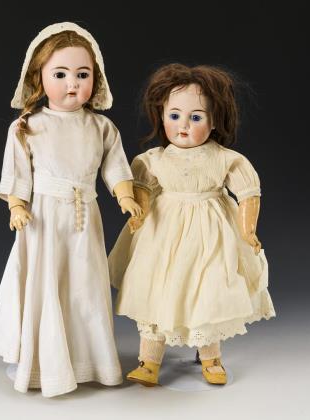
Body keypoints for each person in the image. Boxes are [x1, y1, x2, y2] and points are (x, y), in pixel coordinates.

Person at [0, 22, 142, 398]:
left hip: (85, 217)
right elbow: (17, 174)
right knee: (45, 283)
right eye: (60, 74)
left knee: (86, 286)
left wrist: (125, 195)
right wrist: (17, 206)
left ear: (96, 79)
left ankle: (87, 358)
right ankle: (41, 360)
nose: (72, 83)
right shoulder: (27, 127)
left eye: (82, 74)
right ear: (39, 78)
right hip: (43, 219)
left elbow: (116, 166)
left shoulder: (101, 127)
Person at [108, 63, 275, 387]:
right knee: (156, 289)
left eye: (196, 117)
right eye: (174, 115)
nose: (183, 125)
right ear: (161, 116)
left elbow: (247, 193)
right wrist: (139, 214)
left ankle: (211, 358)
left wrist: (248, 230)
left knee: (208, 291)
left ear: (214, 121)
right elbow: (143, 190)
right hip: (163, 233)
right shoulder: (154, 159)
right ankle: (149, 360)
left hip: (210, 234)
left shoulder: (225, 158)